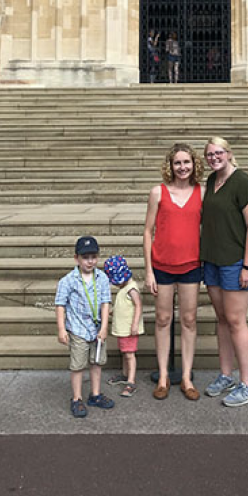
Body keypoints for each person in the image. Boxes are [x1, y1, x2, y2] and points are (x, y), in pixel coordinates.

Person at [201, 136, 248, 407]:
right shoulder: (212, 181)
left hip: (236, 261)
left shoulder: (243, 182)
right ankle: (226, 375)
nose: (214, 158)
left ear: (229, 153)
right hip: (212, 259)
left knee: (237, 321)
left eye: (218, 153)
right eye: (209, 155)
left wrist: (247, 265)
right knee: (222, 319)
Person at [143, 142, 203, 400]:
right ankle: (164, 375)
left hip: (191, 265)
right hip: (162, 266)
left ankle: (187, 376)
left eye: (186, 162)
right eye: (177, 162)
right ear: (170, 165)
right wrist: (148, 270)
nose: (182, 167)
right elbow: (148, 231)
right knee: (163, 320)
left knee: (189, 320)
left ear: (194, 164)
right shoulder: (158, 192)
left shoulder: (202, 192)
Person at [55, 235, 115, 418]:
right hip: (78, 329)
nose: (90, 261)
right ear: (77, 259)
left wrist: (104, 327)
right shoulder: (68, 280)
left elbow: (106, 303)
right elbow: (60, 305)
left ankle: (95, 394)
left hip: (97, 330)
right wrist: (61, 329)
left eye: (93, 257)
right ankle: (76, 398)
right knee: (78, 365)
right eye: (85, 257)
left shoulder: (102, 278)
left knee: (97, 362)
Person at [103, 255, 144, 398]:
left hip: (128, 329)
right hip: (123, 329)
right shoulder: (124, 288)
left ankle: (131, 381)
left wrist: (134, 324)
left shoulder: (131, 288)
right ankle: (125, 374)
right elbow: (123, 306)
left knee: (129, 354)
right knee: (125, 353)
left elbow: (138, 305)